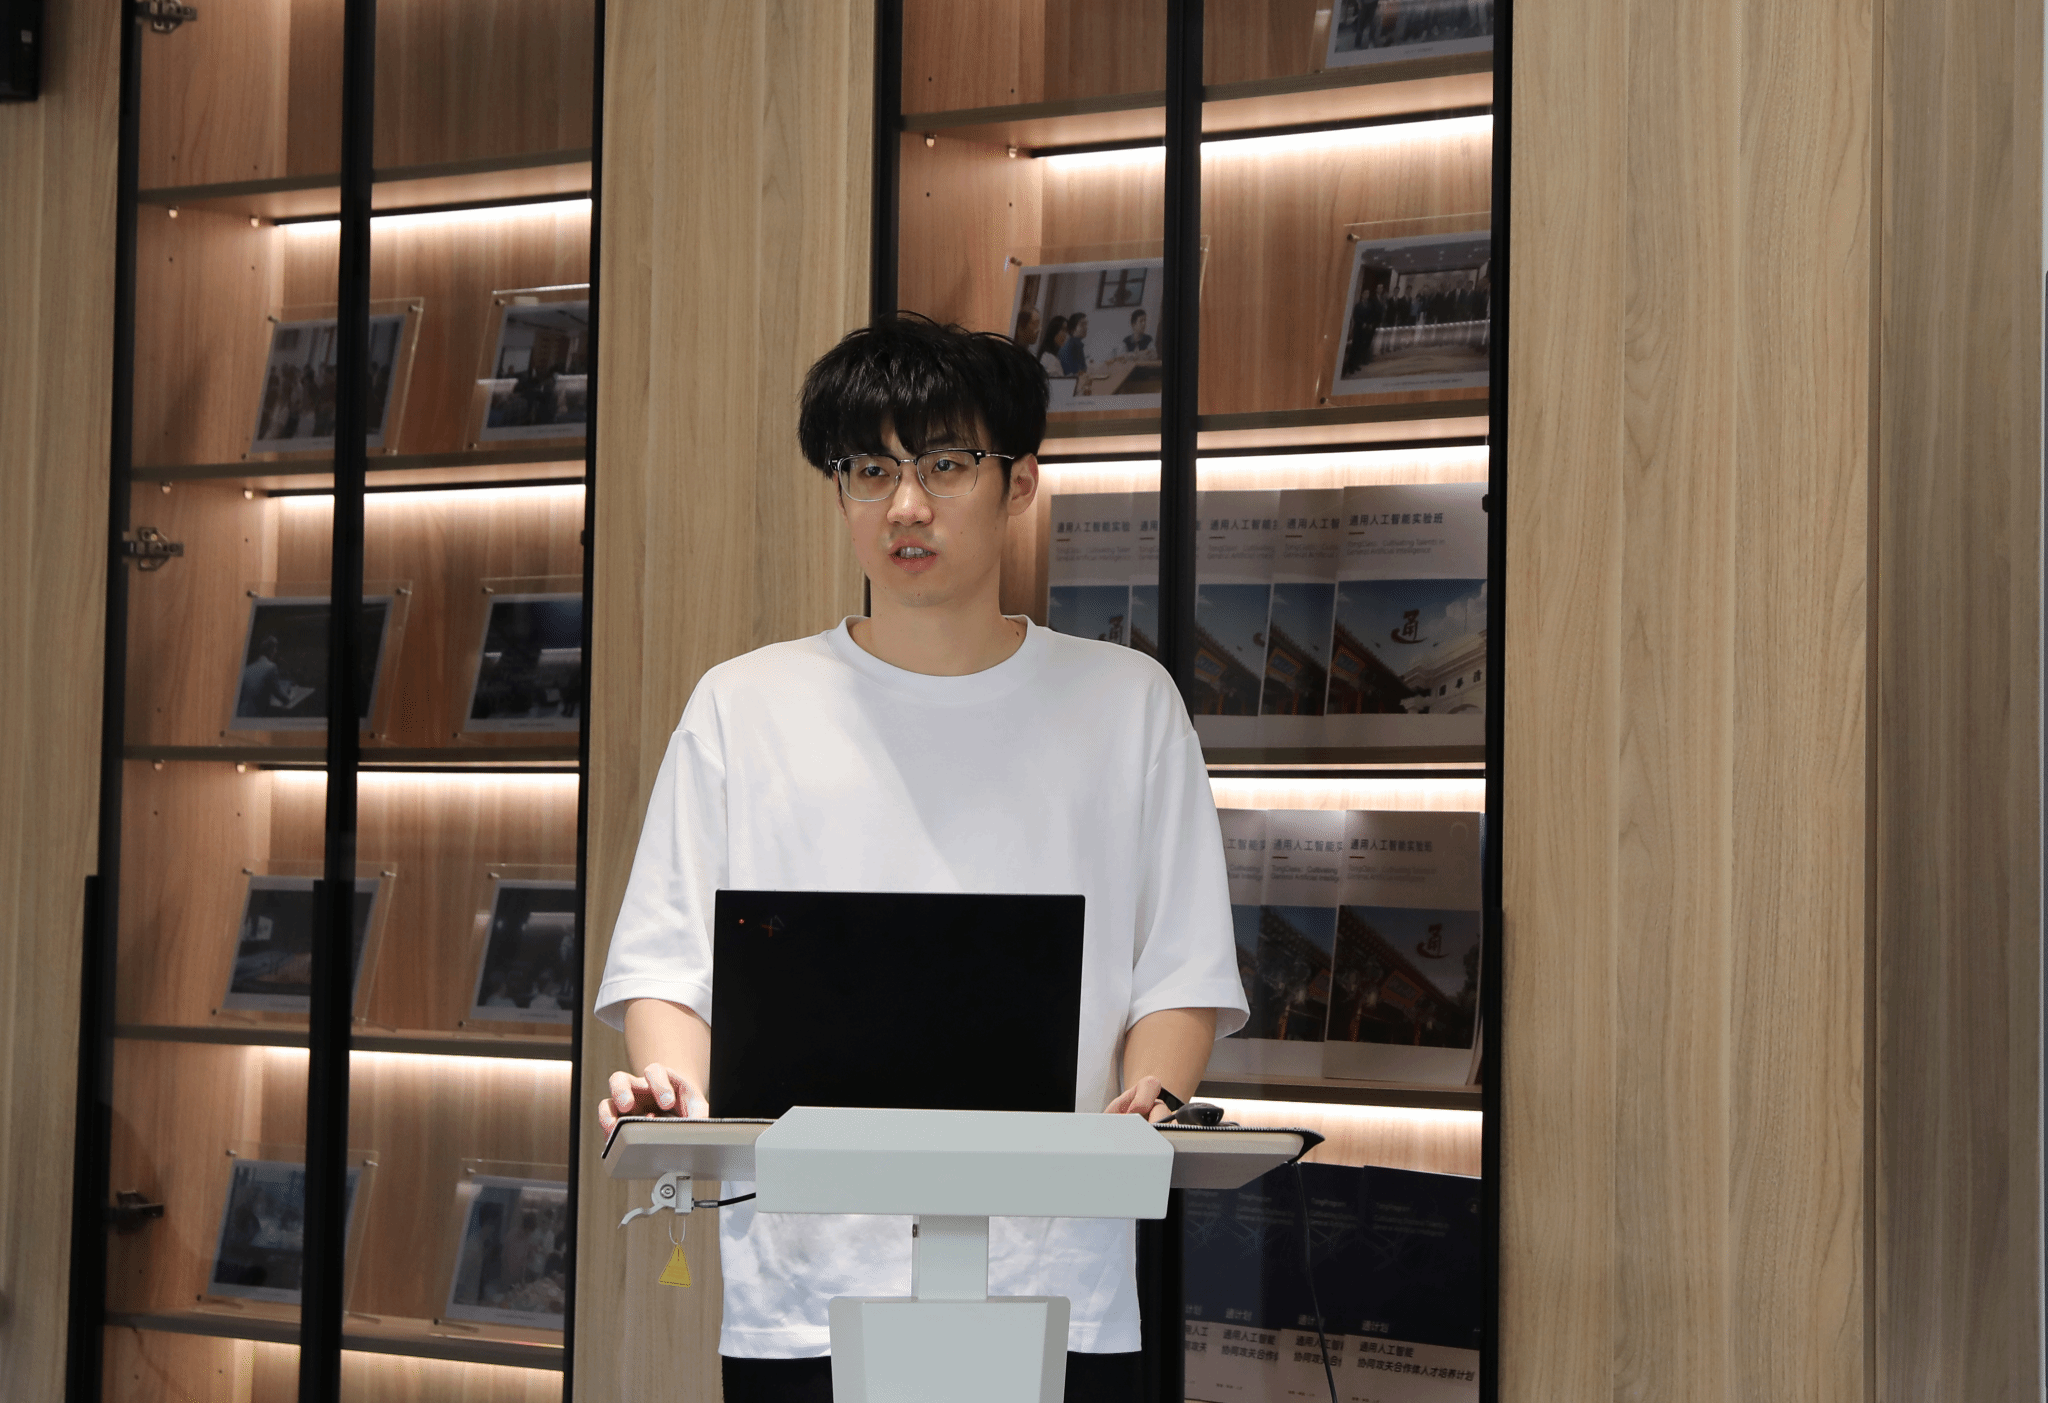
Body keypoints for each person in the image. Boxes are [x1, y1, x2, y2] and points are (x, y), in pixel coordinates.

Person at [594, 313, 1247, 1403]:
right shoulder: (743, 705)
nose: (905, 504)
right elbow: (666, 968)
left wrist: (1154, 1097)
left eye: (945, 464)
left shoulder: (1125, 703)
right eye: (869, 470)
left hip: (1058, 1275)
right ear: (839, 493)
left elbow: (1179, 969)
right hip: (804, 1285)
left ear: (1020, 482)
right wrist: (674, 1096)